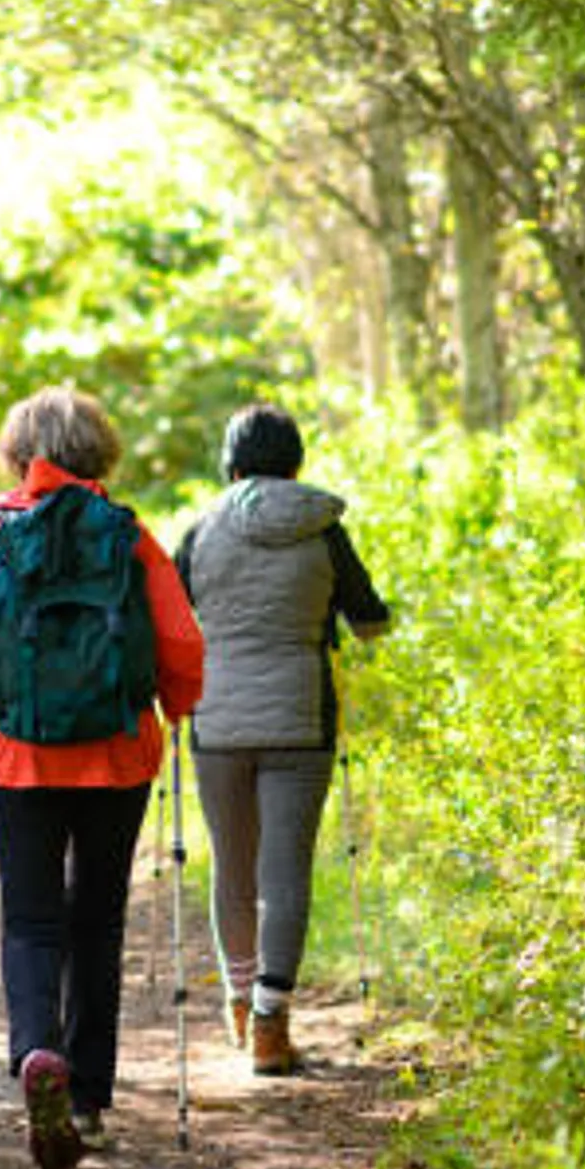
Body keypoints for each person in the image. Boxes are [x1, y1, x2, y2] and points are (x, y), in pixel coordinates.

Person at [0, 386, 203, 1169]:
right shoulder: (128, 536)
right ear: (100, 453)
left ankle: (35, 1053)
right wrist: (177, 708)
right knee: (98, 922)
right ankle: (85, 1100)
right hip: (118, 752)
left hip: (19, 757)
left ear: (18, 455)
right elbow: (182, 646)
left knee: (31, 922)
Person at [174, 403, 390, 1076]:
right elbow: (368, 621)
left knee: (233, 866)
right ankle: (272, 1024)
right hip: (301, 719)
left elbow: (174, 623)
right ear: (296, 464)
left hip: (218, 721)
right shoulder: (325, 530)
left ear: (231, 464)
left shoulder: (200, 530)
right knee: (286, 869)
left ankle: (239, 1001)